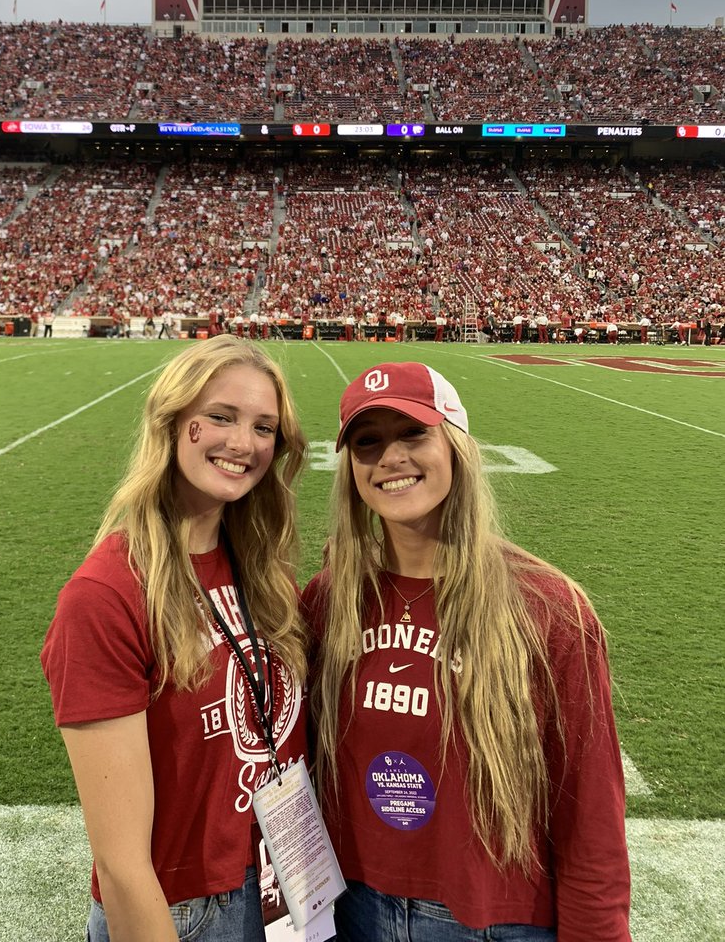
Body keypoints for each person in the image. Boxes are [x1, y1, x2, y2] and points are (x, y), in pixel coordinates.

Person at [304, 361, 631, 941]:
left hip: (491, 921)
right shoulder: (330, 600)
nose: (390, 458)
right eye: (367, 443)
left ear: (456, 445)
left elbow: (589, 815)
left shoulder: (549, 608)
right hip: (351, 909)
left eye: (413, 434)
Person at [42, 336, 310, 942]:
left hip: (278, 884)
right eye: (220, 417)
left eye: (264, 426)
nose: (243, 443)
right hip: (184, 911)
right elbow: (121, 865)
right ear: (172, 422)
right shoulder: (106, 596)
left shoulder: (263, 572)